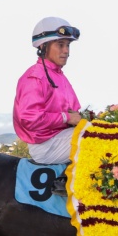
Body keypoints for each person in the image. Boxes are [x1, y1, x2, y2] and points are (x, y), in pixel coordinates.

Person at [13, 17, 83, 165]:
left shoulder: (58, 75)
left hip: (61, 137)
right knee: (97, 138)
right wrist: (67, 118)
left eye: (68, 45)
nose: (66, 51)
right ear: (43, 46)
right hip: (45, 145)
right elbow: (29, 119)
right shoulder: (34, 77)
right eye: (60, 45)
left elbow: (73, 112)